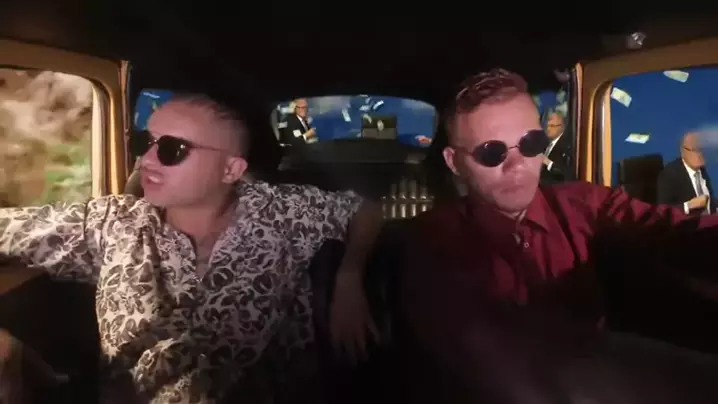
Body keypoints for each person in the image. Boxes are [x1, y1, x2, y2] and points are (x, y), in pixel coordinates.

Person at [0, 93, 382, 403]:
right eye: (144, 143)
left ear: (231, 170)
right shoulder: (112, 222)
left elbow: (363, 209)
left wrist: (350, 277)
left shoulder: (282, 211)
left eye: (172, 149)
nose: (145, 160)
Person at [400, 68, 718, 403]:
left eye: (531, 143)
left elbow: (671, 229)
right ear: (454, 162)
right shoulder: (436, 241)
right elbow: (490, 352)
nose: (517, 165)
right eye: (492, 153)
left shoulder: (581, 203)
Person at [657, 132, 715, 215]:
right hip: (689, 222)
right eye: (695, 150)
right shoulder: (669, 174)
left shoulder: (701, 169)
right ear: (683, 152)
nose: (700, 154)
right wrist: (689, 205)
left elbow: (709, 200)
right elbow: (663, 211)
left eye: (702, 150)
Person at [539, 110, 573, 185]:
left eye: (552, 126)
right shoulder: (545, 144)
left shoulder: (568, 147)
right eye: (547, 126)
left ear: (562, 127)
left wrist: (548, 163)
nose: (548, 129)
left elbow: (566, 175)